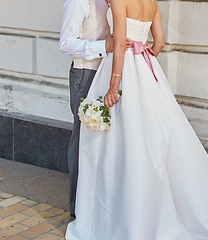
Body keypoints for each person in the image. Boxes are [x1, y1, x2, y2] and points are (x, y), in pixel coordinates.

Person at [65, 0, 208, 238]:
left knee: (119, 141)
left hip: (120, 67)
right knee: (152, 135)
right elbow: (160, 42)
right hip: (146, 65)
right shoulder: (152, 2)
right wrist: (143, 60)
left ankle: (118, 210)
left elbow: (120, 43)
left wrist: (114, 86)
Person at [59, 0, 130, 218]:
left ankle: (98, 203)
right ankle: (77, 206)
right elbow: (66, 43)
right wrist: (103, 47)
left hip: (110, 73)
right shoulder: (79, 1)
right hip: (86, 73)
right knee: (83, 139)